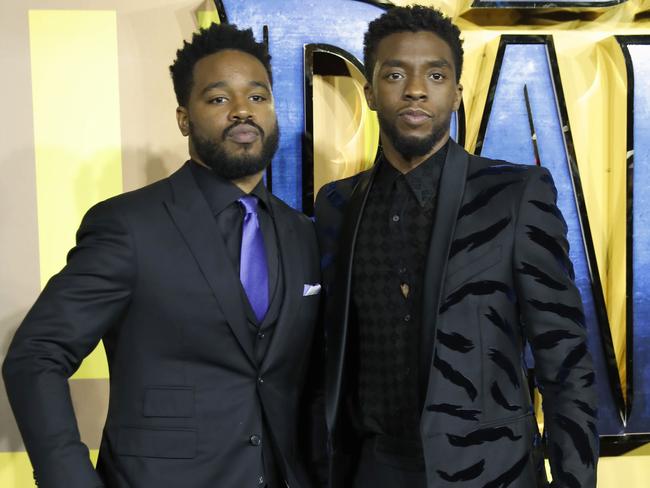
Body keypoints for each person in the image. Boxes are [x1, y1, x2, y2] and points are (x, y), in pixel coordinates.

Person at [3, 23, 321, 488]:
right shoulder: (129, 225)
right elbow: (36, 354)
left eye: (258, 97)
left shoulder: (302, 233)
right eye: (218, 99)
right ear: (183, 118)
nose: (242, 112)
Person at [314, 5, 598, 488]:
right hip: (370, 469)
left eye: (436, 74)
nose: (416, 88)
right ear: (370, 92)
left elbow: (565, 360)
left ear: (457, 93)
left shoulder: (513, 195)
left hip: (492, 472)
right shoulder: (337, 205)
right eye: (396, 73)